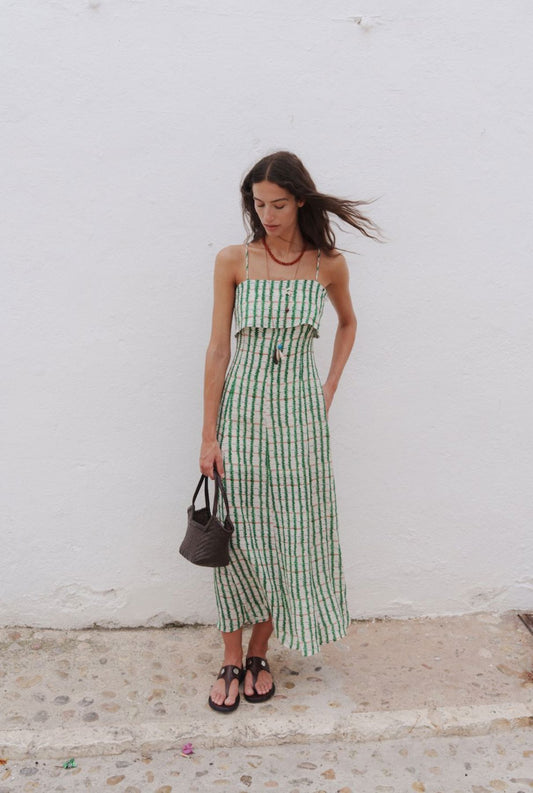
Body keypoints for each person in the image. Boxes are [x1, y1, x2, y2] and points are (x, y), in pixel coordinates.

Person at [200, 151, 381, 713]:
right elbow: (219, 348)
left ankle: (260, 653)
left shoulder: (329, 264)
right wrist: (208, 435)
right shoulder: (234, 260)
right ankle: (231, 657)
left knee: (291, 536)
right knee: (237, 539)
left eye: (278, 204)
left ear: (301, 200)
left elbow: (348, 323)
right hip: (241, 415)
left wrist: (328, 388)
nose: (268, 215)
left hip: (300, 421)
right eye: (258, 204)